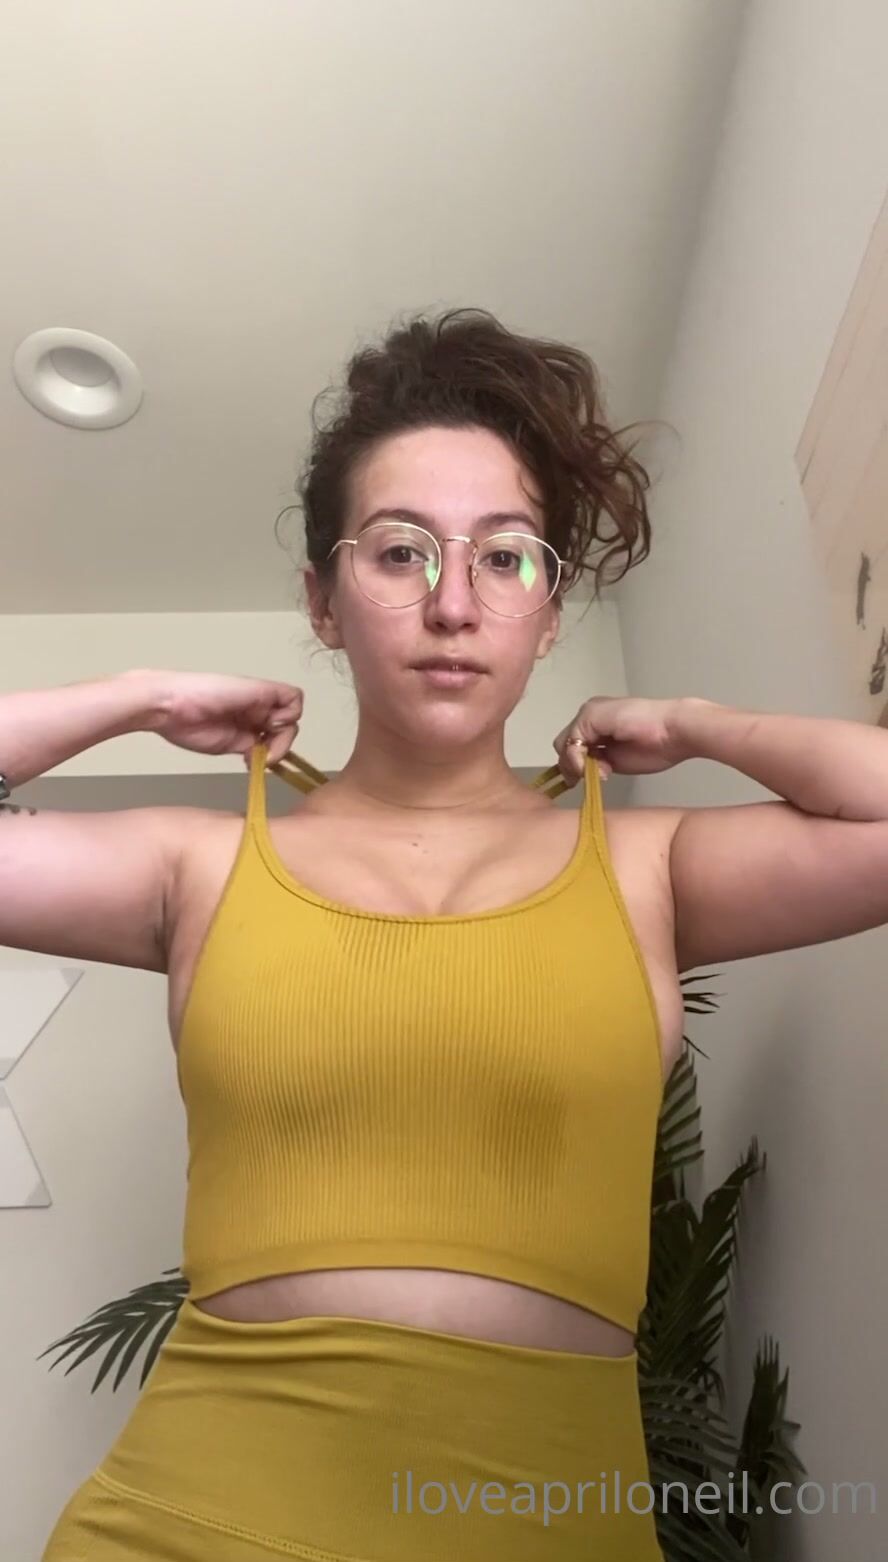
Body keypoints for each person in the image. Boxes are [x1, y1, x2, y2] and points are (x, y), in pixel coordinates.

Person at [16, 306, 679, 1559]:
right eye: (399, 551)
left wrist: (705, 727)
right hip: (186, 1520)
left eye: (506, 556)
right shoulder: (199, 862)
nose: (451, 601)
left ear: (549, 611)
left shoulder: (651, 863)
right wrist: (139, 696)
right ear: (322, 600)